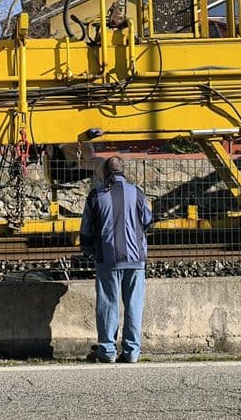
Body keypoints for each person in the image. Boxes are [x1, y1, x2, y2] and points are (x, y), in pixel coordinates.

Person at [80, 155, 153, 363]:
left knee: (107, 303)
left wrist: (87, 249)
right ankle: (131, 352)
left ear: (104, 172)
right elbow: (148, 220)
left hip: (107, 258)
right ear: (123, 171)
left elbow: (86, 228)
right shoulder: (137, 192)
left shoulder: (96, 196)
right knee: (134, 305)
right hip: (136, 258)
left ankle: (108, 351)